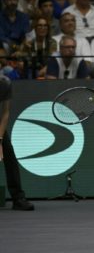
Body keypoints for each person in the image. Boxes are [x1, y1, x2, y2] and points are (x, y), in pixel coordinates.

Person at [0, 76, 34, 210]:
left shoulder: (4, 84)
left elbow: (5, 113)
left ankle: (18, 198)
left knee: (8, 153)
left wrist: (0, 141)